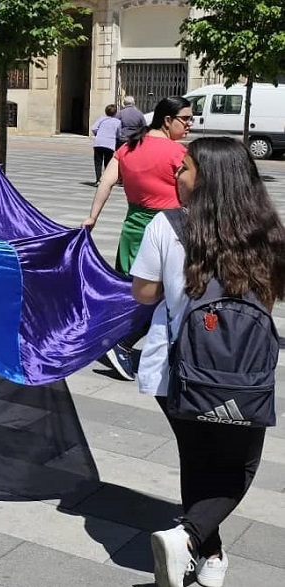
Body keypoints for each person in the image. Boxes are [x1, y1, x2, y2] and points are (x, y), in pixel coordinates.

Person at [130, 137, 285, 587]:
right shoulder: (268, 229)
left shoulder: (167, 224)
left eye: (185, 168)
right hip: (243, 373)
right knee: (239, 465)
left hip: (178, 369)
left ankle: (196, 543)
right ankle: (202, 545)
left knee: (197, 458)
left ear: (209, 178)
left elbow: (143, 292)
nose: (176, 175)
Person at [82, 96, 192, 380]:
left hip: (133, 228)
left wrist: (93, 217)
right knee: (166, 294)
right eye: (186, 119)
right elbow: (190, 194)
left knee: (133, 291)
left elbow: (106, 181)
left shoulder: (128, 148)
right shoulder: (177, 153)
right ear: (168, 120)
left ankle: (114, 340)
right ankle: (122, 344)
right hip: (169, 231)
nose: (190, 125)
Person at [90, 104, 121, 186]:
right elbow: (119, 134)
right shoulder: (118, 122)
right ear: (115, 113)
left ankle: (98, 180)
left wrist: (98, 134)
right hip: (110, 144)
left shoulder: (101, 119)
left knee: (98, 162)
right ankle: (105, 180)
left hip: (98, 142)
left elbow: (93, 128)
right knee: (107, 162)